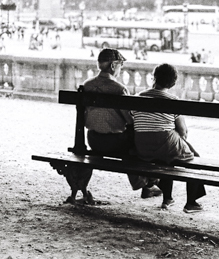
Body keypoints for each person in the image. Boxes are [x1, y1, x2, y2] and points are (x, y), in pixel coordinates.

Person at [82, 49, 161, 198]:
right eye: (120, 65)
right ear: (113, 66)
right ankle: (147, 184)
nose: (121, 68)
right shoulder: (118, 89)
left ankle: (146, 184)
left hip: (93, 140)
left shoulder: (86, 85)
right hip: (115, 143)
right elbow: (130, 119)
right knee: (138, 140)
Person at [132, 63, 206, 213]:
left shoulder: (138, 97)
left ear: (154, 78)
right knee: (193, 158)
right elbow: (183, 131)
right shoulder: (172, 100)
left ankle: (168, 199)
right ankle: (191, 203)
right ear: (172, 83)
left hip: (143, 147)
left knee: (166, 157)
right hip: (166, 145)